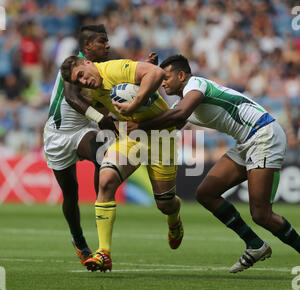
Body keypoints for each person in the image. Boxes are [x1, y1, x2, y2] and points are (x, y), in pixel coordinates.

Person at [115, 54, 300, 273]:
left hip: (263, 133)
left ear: (182, 75)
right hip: (247, 141)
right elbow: (168, 124)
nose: (162, 82)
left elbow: (178, 115)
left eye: (165, 77)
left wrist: (141, 126)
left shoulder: (196, 84)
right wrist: (139, 85)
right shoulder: (181, 102)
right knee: (206, 193)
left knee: (261, 214)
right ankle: (255, 245)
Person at [60, 55, 183, 272]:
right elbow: (106, 108)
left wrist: (134, 102)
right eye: (78, 82)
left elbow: (157, 73)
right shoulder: (94, 90)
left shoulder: (114, 69)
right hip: (132, 138)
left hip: (162, 138)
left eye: (81, 75)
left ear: (88, 64)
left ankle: (174, 218)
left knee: (165, 204)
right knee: (106, 180)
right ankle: (103, 252)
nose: (83, 82)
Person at [43, 25, 120, 266]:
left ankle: (102, 202)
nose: (107, 45)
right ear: (87, 47)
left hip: (81, 131)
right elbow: (72, 98)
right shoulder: (73, 64)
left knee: (104, 156)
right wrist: (102, 119)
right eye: (101, 41)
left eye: (106, 41)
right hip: (57, 135)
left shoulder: (102, 68)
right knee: (70, 193)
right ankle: (78, 239)